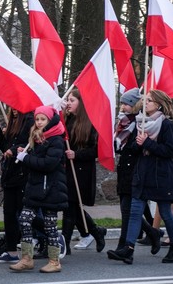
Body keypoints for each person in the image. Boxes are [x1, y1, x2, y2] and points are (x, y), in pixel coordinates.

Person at [108, 90, 173, 264]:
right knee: (135, 211)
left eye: (149, 100)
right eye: (144, 100)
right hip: (142, 174)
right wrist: (137, 144)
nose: (145, 103)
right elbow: (135, 149)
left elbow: (169, 150)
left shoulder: (166, 125)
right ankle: (128, 250)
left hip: (161, 175)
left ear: (158, 104)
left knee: (166, 213)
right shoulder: (140, 122)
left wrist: (147, 143)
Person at [10, 106, 68, 273]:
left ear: (50, 121)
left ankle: (54, 261)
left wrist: (26, 158)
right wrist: (25, 153)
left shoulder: (56, 139)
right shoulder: (35, 138)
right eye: (37, 119)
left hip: (51, 189)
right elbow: (36, 160)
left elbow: (48, 164)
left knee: (50, 226)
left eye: (43, 119)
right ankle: (27, 258)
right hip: (36, 188)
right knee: (25, 219)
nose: (39, 122)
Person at [0, 108, 33, 263]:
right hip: (10, 174)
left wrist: (13, 150)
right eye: (11, 106)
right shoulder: (13, 123)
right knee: (9, 214)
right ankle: (11, 251)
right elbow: (5, 146)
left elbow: (28, 143)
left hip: (22, 174)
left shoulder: (29, 120)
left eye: (16, 106)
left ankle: (50, 233)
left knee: (23, 212)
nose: (13, 109)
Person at [62, 89, 106, 252]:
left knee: (71, 205)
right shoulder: (67, 119)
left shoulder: (91, 123)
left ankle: (64, 243)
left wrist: (77, 154)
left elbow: (96, 150)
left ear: (81, 103)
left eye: (72, 100)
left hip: (82, 170)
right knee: (72, 205)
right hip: (68, 168)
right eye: (68, 100)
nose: (68, 103)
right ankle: (96, 231)